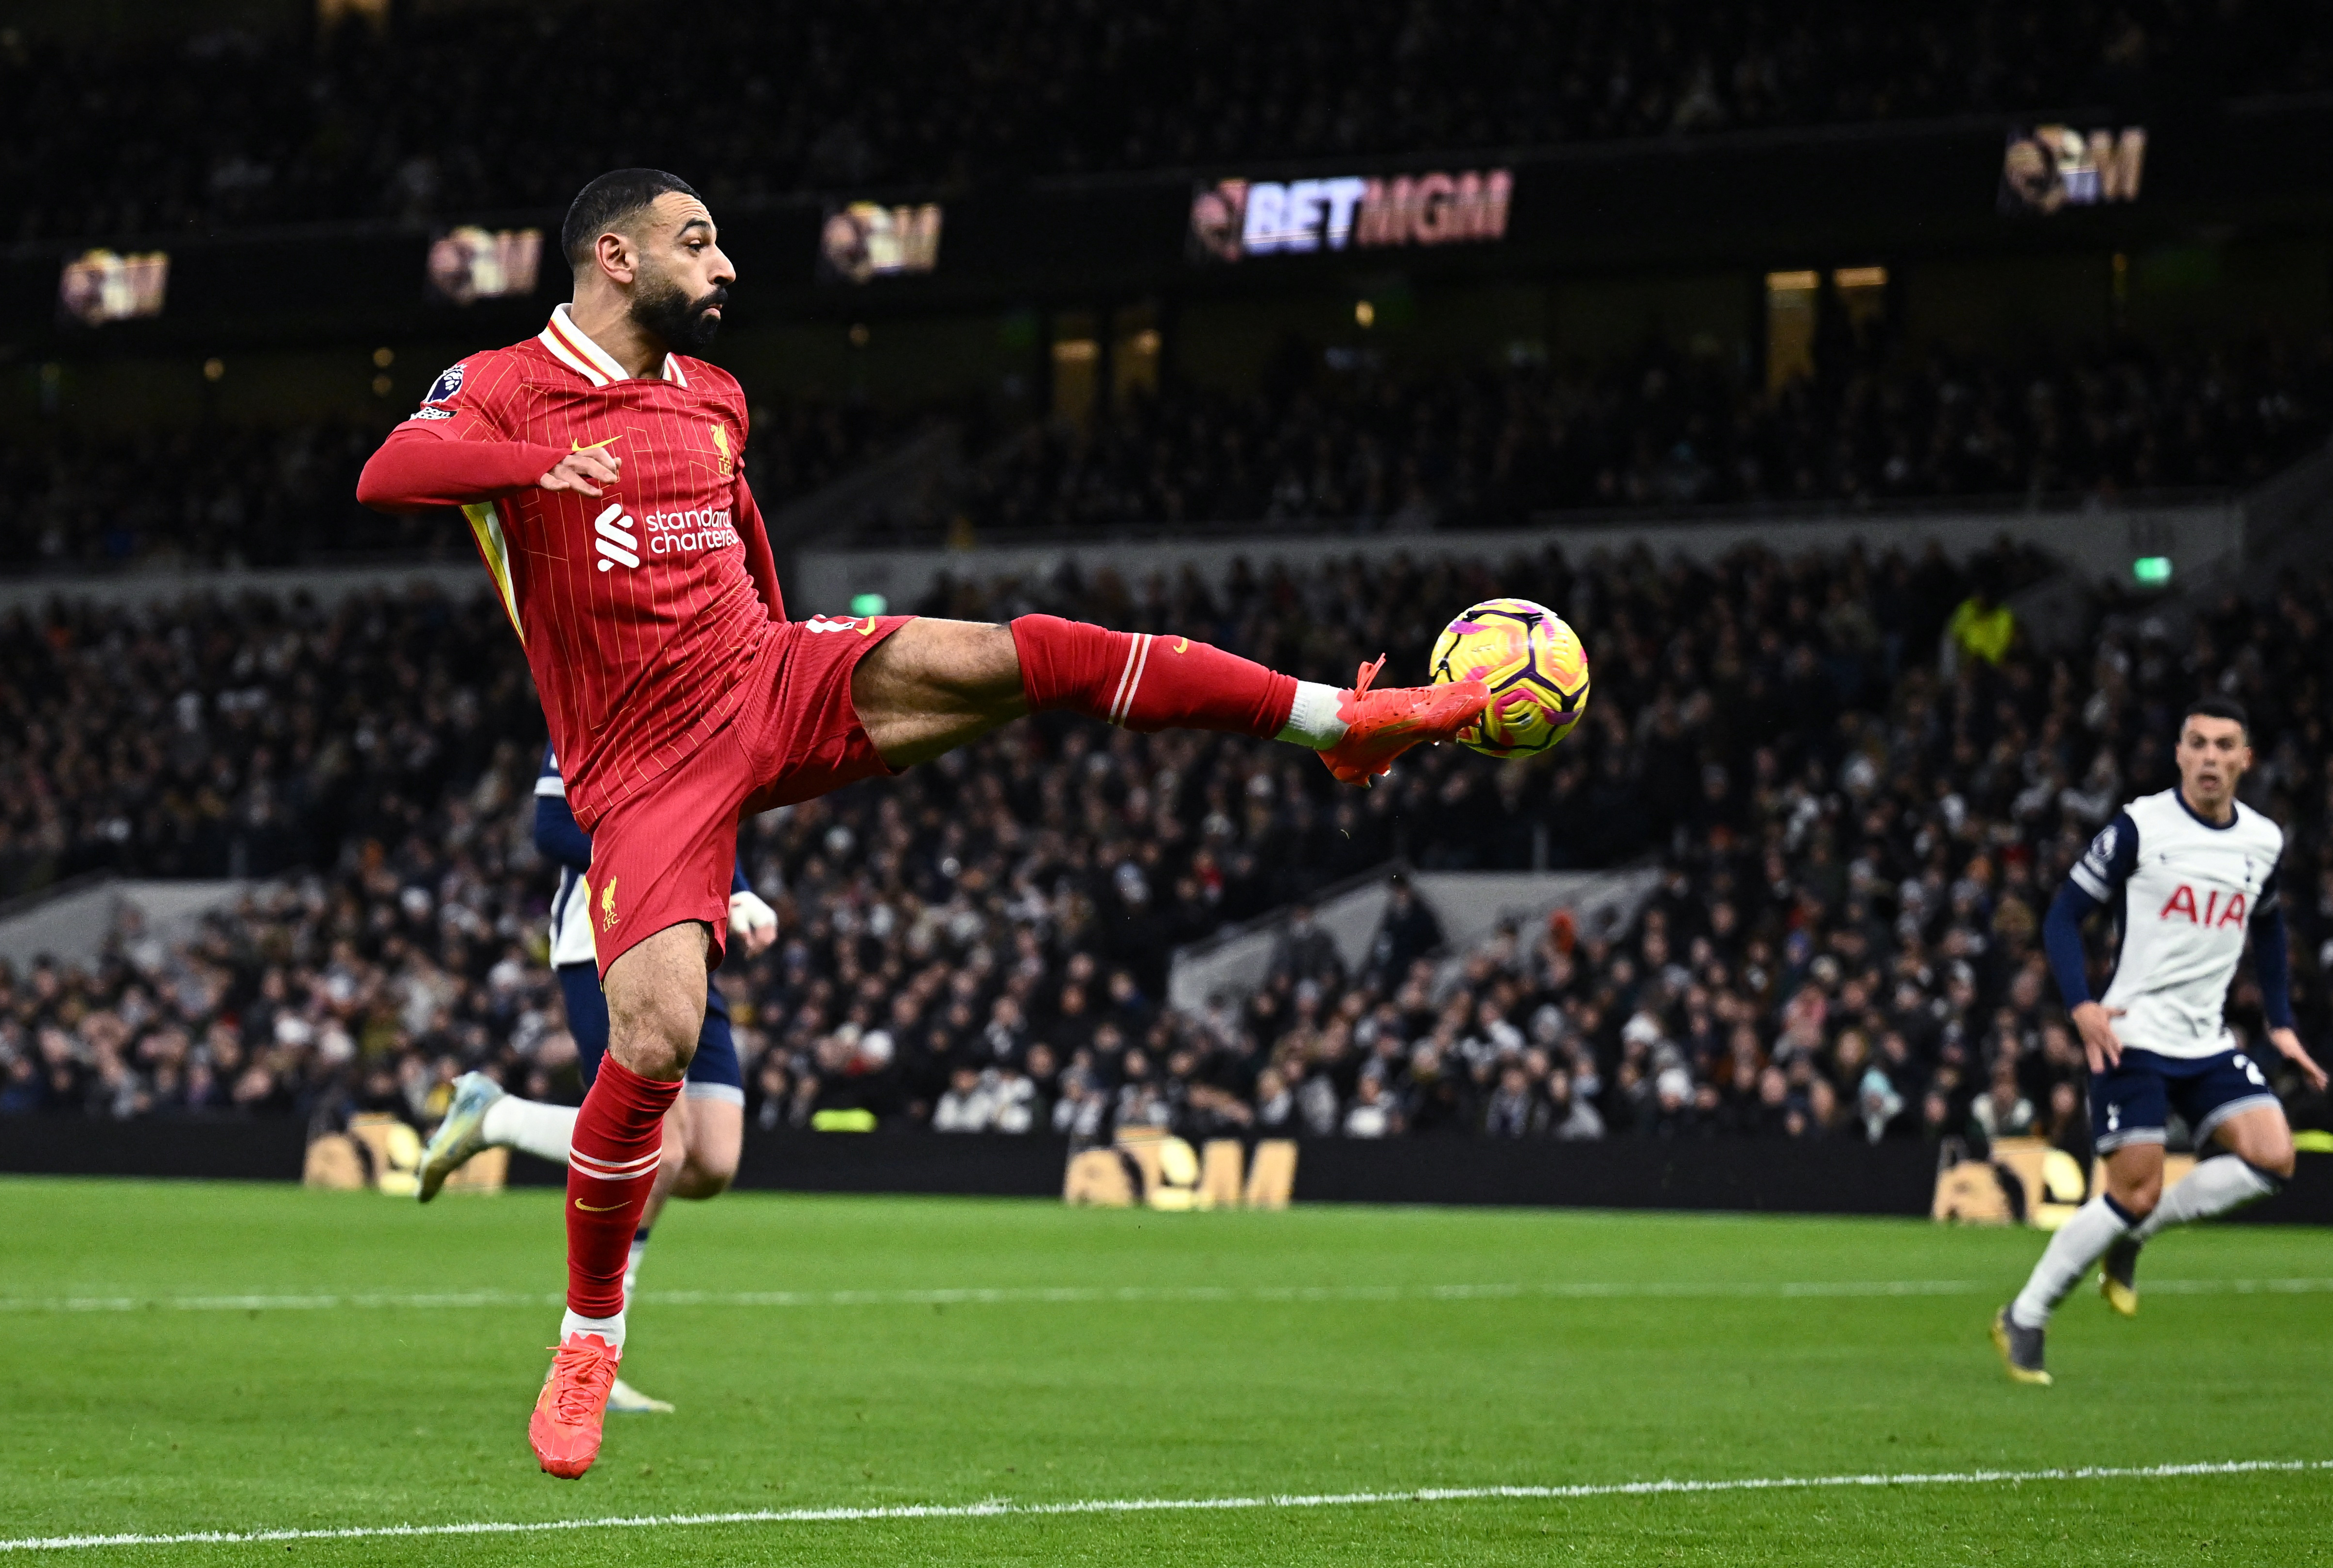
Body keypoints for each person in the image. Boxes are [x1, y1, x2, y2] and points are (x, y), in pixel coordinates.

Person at [355, 169, 1490, 1478]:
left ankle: (1334, 728)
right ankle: (589, 1333)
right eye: (699, 241)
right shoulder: (506, 380)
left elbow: (745, 545)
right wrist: (536, 461)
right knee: (655, 1036)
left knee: (1034, 650)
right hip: (638, 762)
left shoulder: (714, 398)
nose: (725, 266)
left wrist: (792, 665)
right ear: (612, 255)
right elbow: (392, 468)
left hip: (767, 677)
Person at [412, 741, 776, 1413]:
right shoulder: (597, 706)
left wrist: (741, 891)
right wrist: (671, 871)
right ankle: (597, 1357)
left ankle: (496, 1116)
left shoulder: (701, 698)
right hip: (607, 941)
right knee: (661, 1151)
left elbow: (704, 819)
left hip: (690, 943)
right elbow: (552, 829)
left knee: (713, 1161)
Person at [1992, 696, 2327, 1385]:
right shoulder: (2142, 828)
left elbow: (2268, 926)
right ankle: (2025, 1315)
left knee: (2273, 1159)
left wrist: (2283, 1022)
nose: (2209, 757)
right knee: (2133, 1190)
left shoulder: (2262, 840)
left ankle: (2133, 1239)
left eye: (2224, 745)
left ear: (2245, 759)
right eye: (2197, 743)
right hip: (2131, 1036)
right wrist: (2082, 1006)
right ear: (2179, 753)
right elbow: (2062, 916)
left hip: (2205, 1040)